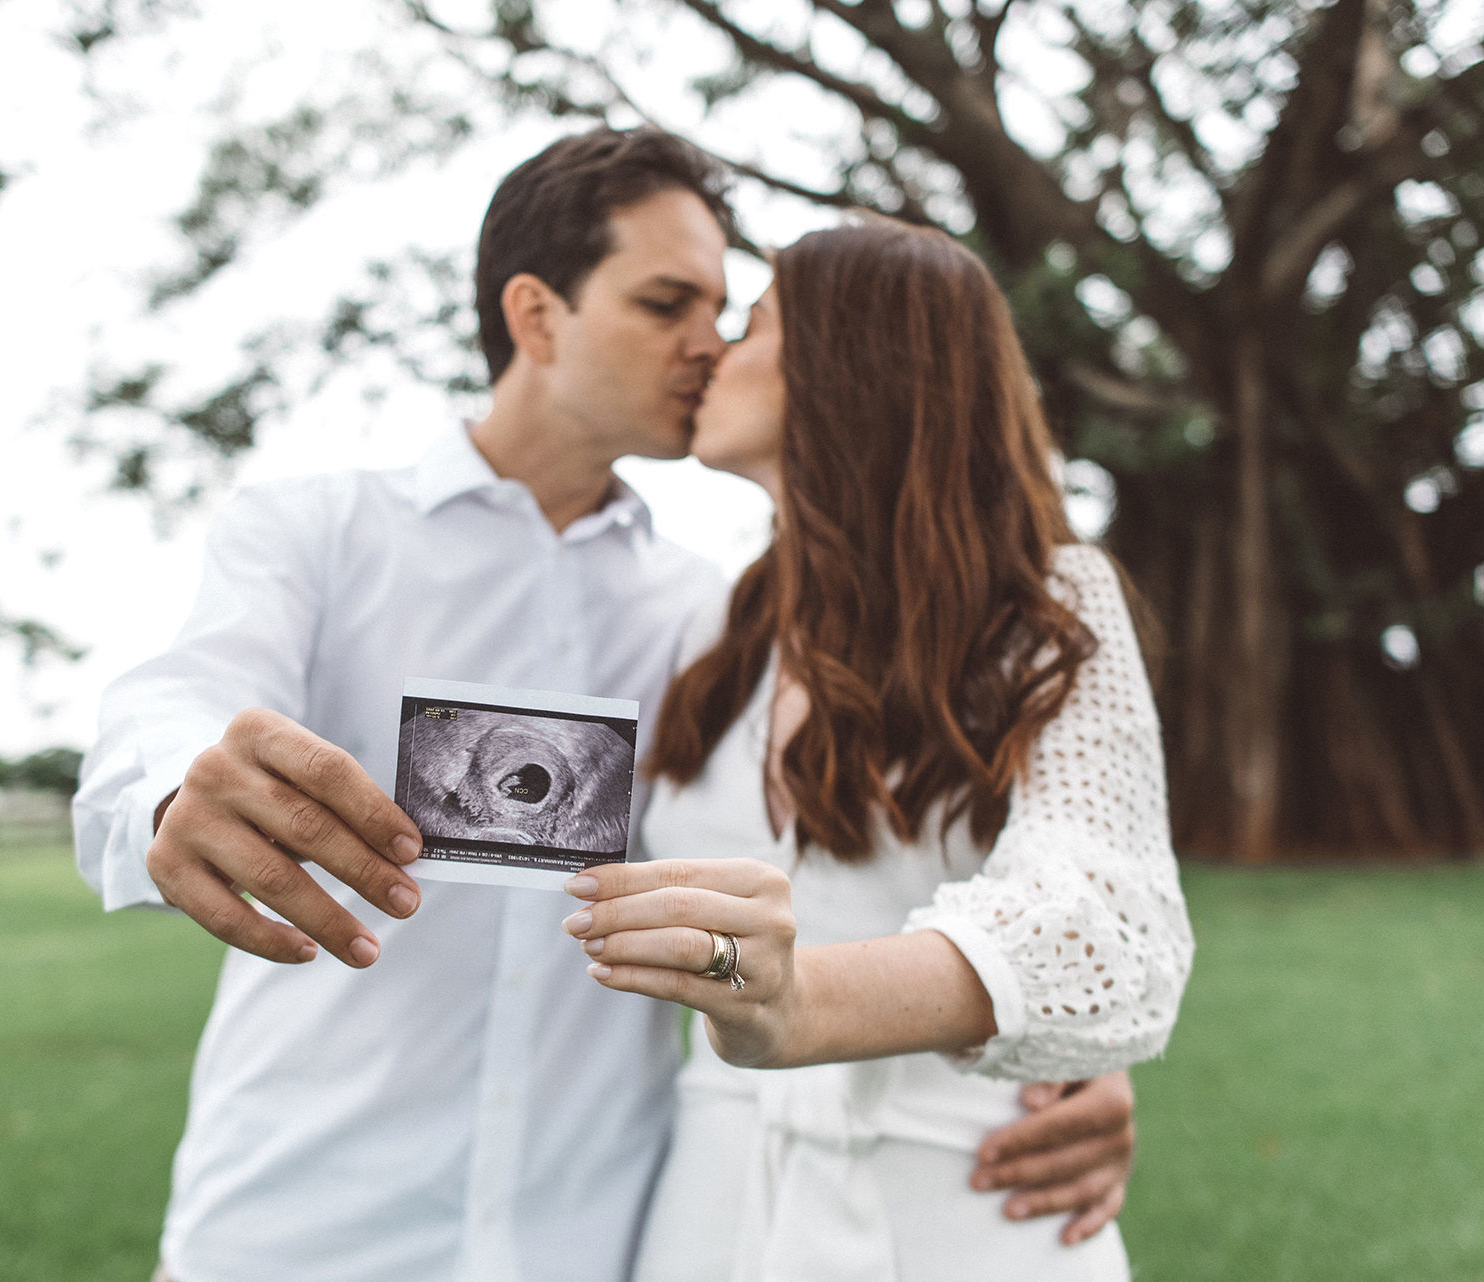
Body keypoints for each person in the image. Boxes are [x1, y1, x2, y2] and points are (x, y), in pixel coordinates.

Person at [73, 128, 1142, 1282]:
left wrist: (1061, 1034)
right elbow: (176, 706)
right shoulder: (317, 537)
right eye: (668, 304)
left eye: (729, 312)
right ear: (536, 317)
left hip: (597, 1240)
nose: (711, 346)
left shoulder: (707, 622)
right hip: (304, 1228)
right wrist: (181, 785)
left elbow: (888, 850)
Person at [559, 219, 1195, 1280]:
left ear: (846, 367)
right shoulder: (706, 635)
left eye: (753, 323)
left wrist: (803, 1004)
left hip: (964, 1202)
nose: (714, 350)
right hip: (713, 1207)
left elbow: (1110, 920)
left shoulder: (1044, 612)